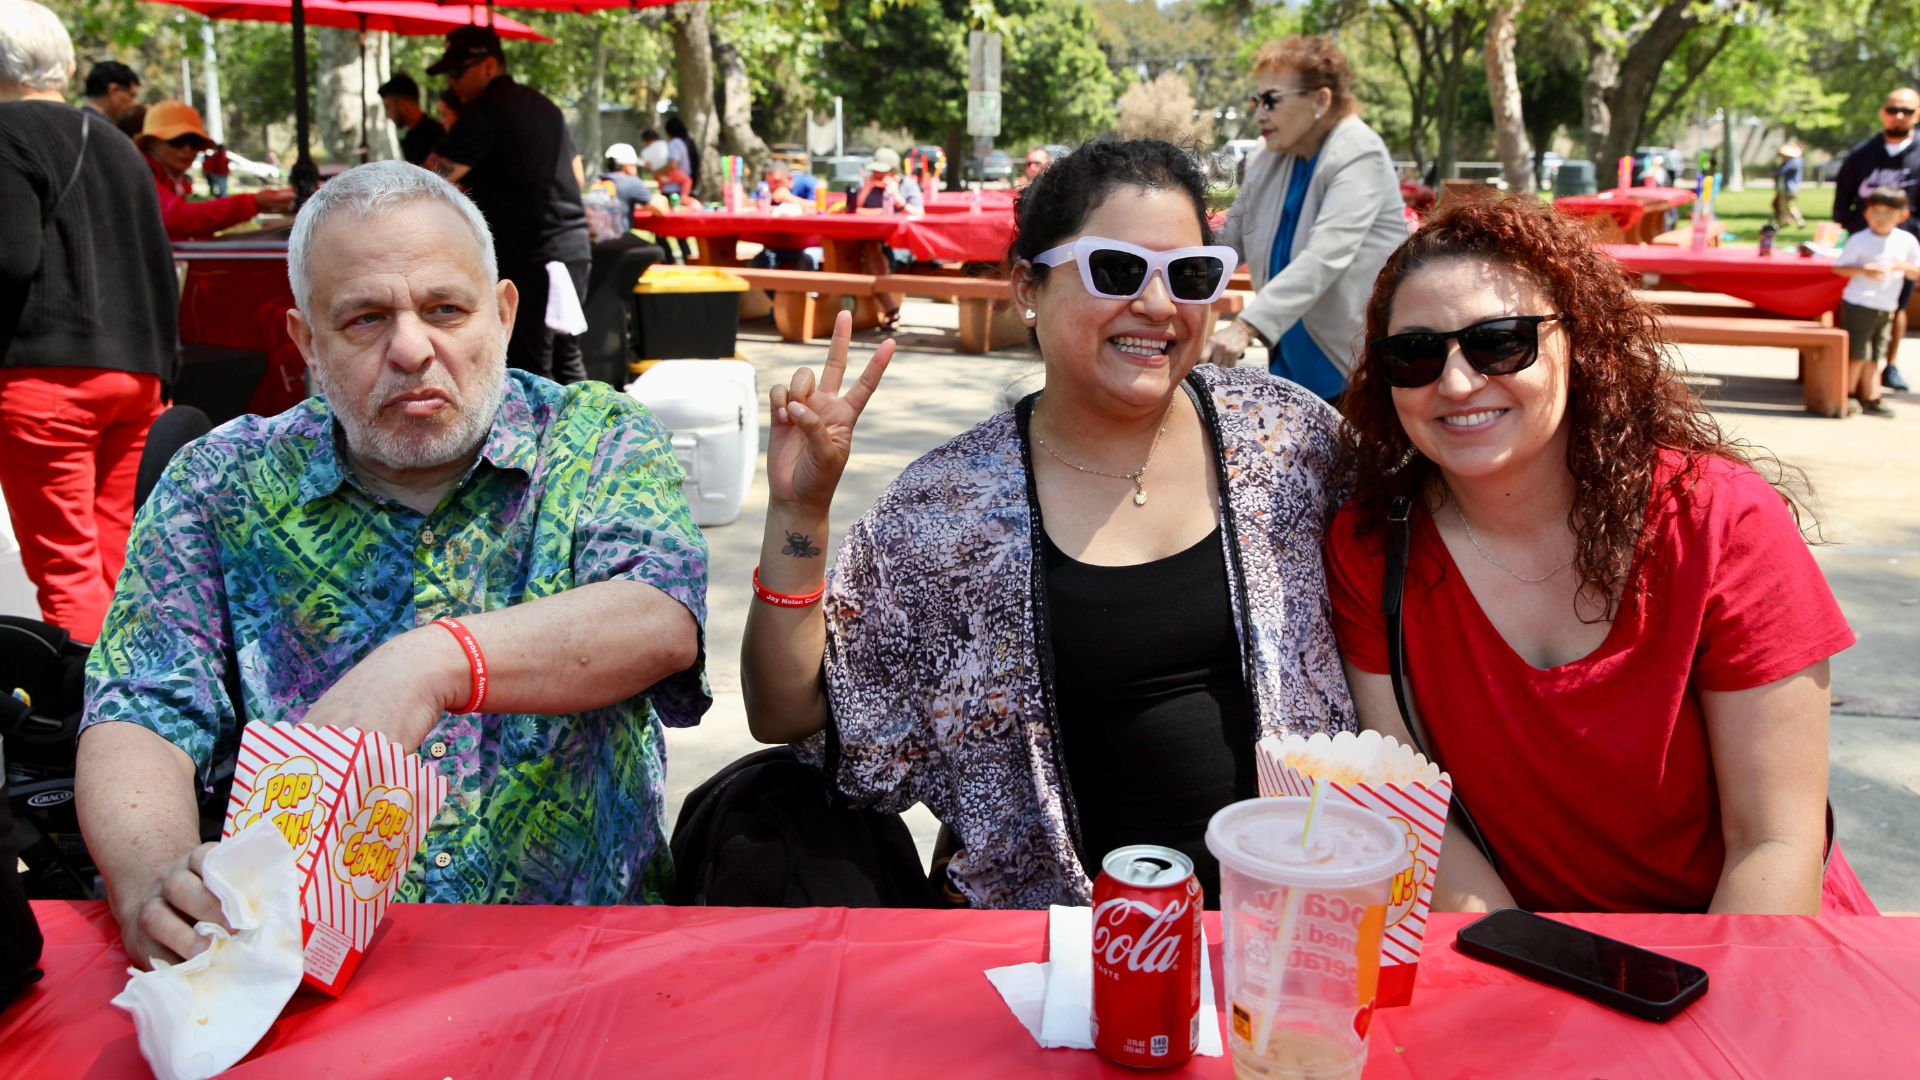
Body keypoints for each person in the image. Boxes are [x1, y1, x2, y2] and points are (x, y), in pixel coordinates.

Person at [74, 162, 710, 968]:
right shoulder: (217, 483)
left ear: (504, 315)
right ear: (305, 340)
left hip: (581, 956)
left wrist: (434, 662)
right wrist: (151, 878)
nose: (412, 349)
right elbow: (139, 710)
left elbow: (658, 616)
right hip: (294, 970)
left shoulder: (596, 439)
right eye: (366, 319)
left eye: (446, 309)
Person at [742, 140, 1355, 909]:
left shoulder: (1292, 445)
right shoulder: (948, 509)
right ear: (1027, 286)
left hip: (1290, 934)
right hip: (1051, 951)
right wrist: (798, 514)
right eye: (1118, 270)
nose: (1160, 307)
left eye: (1190, 274)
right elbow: (787, 713)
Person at [1324, 194, 1862, 916]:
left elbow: (1774, 843)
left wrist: (1693, 1015)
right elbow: (1421, 820)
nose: (1455, 384)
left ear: (1578, 343)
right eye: (1415, 355)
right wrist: (1530, 978)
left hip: (1745, 957)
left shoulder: (1716, 518)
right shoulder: (1370, 547)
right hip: (1526, 966)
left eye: (1500, 342)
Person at [0, 0, 178, 641]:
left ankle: (94, 729)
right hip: (136, 375)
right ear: (67, 62)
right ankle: (152, 708)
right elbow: (158, 262)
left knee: (68, 570)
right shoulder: (116, 143)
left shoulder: (6, 133)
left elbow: (10, 256)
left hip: (47, 380)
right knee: (125, 562)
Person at [1203, 36, 1405, 402]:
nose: (1259, 114)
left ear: (1320, 100)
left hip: (1350, 367)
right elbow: (1228, 239)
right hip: (1288, 361)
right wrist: (1164, 264)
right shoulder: (1268, 153)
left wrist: (1245, 327)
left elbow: (1325, 257)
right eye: (1256, 100)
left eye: (1271, 101)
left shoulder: (1359, 151)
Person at [425, 26, 590, 384]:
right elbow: (577, 176)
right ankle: (585, 437)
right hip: (572, 248)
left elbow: (427, 185)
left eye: (457, 72)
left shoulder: (485, 110)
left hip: (532, 255)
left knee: (528, 370)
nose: (452, 82)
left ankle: (534, 442)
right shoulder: (543, 105)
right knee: (567, 361)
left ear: (488, 66)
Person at [1833, 87, 1920, 393]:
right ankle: (1852, 381)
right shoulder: (1862, 155)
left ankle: (1889, 366)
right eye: (1893, 109)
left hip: (1906, 246)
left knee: (1896, 307)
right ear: (1882, 112)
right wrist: (1857, 228)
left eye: (1907, 110)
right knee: (1861, 308)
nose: (1899, 115)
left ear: (1917, 114)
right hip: (1867, 246)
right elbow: (1843, 197)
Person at [136, 101, 293, 240]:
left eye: (195, 142)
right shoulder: (139, 176)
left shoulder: (168, 177)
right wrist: (252, 203)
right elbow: (181, 218)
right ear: (150, 142)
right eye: (177, 141)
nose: (187, 149)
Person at [1834, 187, 1919, 417]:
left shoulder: (1906, 241)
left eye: (1888, 213)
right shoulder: (1860, 239)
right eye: (1876, 212)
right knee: (1858, 353)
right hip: (1860, 304)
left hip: (1887, 306)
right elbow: (1839, 268)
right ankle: (1849, 394)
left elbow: (1915, 271)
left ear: (1902, 215)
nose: (1881, 218)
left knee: (1876, 355)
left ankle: (1871, 396)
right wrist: (1863, 269)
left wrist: (1904, 267)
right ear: (1867, 213)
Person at [584, 142, 667, 245]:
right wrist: (662, 198)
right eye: (635, 166)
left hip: (592, 242)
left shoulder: (598, 180)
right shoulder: (631, 181)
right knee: (658, 251)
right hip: (616, 241)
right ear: (627, 167)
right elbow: (661, 210)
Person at [749, 161, 819, 273]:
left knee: (807, 261)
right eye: (769, 183)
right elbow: (749, 202)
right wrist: (768, 199)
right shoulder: (765, 188)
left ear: (789, 179)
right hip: (774, 245)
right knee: (756, 264)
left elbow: (821, 206)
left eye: (777, 182)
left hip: (807, 245)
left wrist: (790, 198)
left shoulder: (807, 182)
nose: (772, 186)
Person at [377, 72, 446, 167]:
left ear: (402, 104)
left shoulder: (437, 135)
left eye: (388, 107)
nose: (387, 114)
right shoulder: (410, 137)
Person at [80, 59, 138, 125]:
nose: (133, 104)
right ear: (113, 91)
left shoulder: (71, 120)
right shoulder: (108, 130)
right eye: (131, 95)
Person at [1773, 141, 1806, 227]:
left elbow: (1781, 171)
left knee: (1784, 206)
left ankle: (1785, 222)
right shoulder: (1795, 161)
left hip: (1788, 188)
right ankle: (1798, 221)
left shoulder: (1794, 162)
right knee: (1788, 205)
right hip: (1789, 187)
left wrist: (1775, 172)